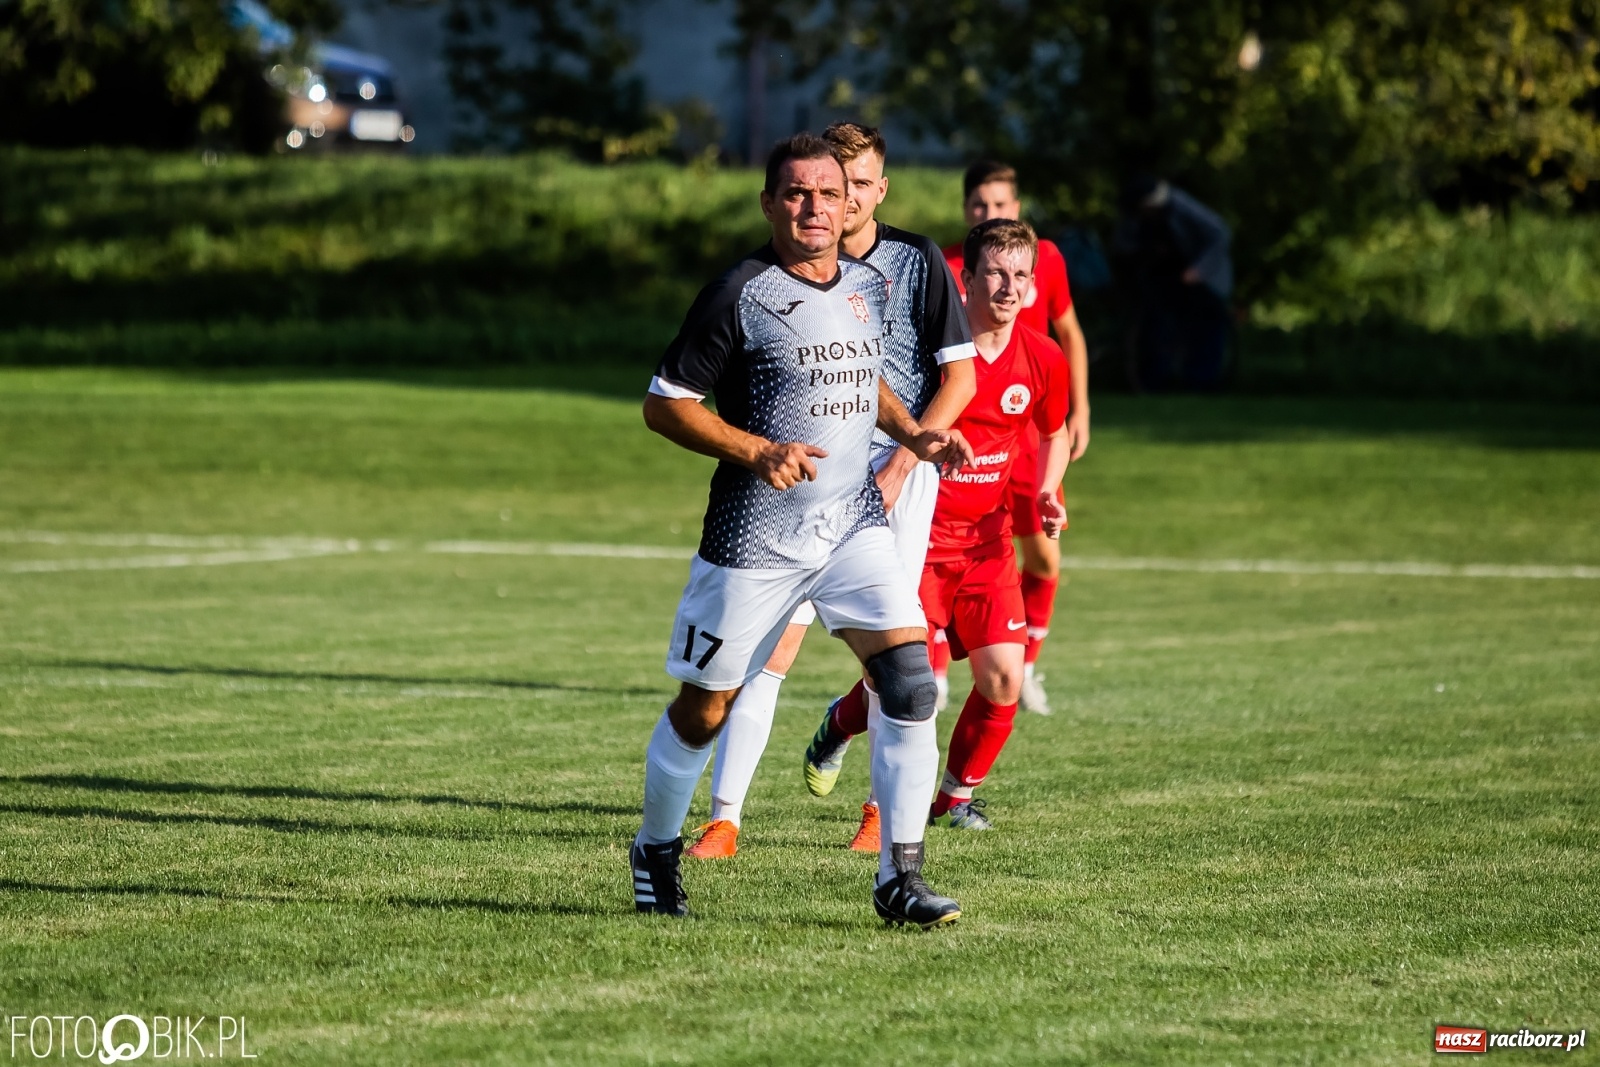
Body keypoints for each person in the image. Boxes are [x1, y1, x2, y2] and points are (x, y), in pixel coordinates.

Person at [632, 132, 974, 928]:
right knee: (705, 708)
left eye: (829, 192)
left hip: (852, 523)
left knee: (911, 682)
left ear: (851, 199)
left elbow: (864, 377)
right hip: (758, 537)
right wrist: (756, 449)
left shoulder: (865, 283)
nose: (816, 207)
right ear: (768, 203)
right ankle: (655, 845)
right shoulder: (739, 292)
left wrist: (917, 434)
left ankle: (900, 874)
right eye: (796, 193)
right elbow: (664, 403)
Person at [807, 218, 1072, 833]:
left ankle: (953, 797)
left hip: (986, 547)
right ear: (967, 279)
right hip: (920, 542)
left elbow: (1053, 432)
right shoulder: (934, 359)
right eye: (996, 275)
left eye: (1021, 277)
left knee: (1004, 678)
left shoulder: (1042, 358)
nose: (1009, 289)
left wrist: (1049, 488)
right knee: (911, 685)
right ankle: (848, 737)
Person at [941, 160, 1088, 715]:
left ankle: (1024, 667)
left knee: (1045, 559)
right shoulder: (954, 264)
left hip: (1029, 430)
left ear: (1017, 208)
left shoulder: (1042, 257)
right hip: (969, 436)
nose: (990, 213)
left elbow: (1068, 329)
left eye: (1000, 204)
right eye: (979, 205)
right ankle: (933, 673)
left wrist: (1081, 411)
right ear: (966, 210)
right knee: (951, 552)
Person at [1113, 175, 1233, 391]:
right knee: (1159, 330)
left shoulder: (1180, 205)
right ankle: (1158, 383)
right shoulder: (1139, 218)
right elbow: (1125, 245)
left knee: (1205, 333)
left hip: (1205, 283)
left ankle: (1200, 386)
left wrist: (1199, 270)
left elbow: (1220, 234)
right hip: (1167, 281)